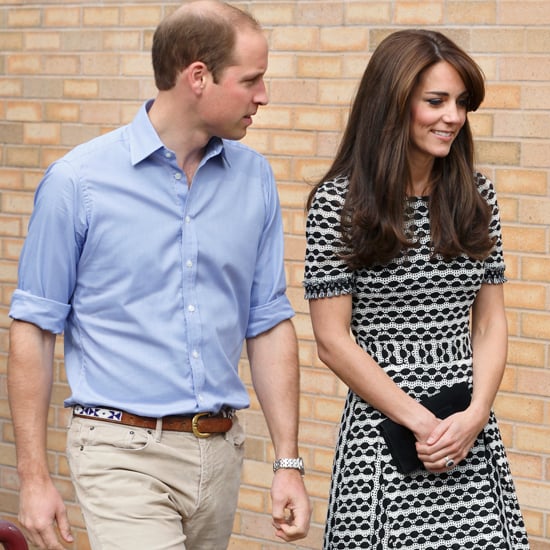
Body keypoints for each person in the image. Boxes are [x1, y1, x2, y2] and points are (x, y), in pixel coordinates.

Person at [7, 1, 311, 548]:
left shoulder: (255, 178)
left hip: (220, 454)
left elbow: (267, 322)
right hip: (120, 451)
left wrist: (288, 462)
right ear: (198, 75)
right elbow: (33, 325)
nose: (262, 96)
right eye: (252, 80)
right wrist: (34, 477)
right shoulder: (78, 182)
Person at [304, 29, 529, 549]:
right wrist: (425, 424)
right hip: (386, 436)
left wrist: (473, 417)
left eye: (461, 103)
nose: (453, 116)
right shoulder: (338, 206)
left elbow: (492, 321)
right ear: (392, 102)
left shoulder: (477, 197)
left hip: (468, 434)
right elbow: (333, 342)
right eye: (436, 101)